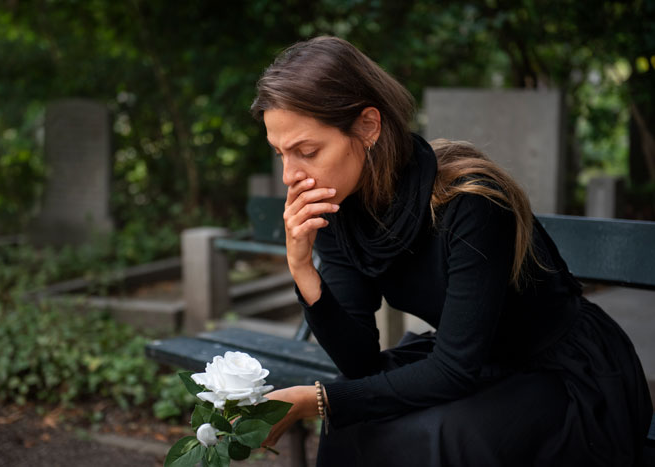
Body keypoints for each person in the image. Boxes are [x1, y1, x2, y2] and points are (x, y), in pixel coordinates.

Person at [249, 36, 653, 466]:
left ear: (368, 126)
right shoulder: (337, 208)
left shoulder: (470, 201)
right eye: (280, 154)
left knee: (430, 436)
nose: (291, 175)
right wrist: (302, 269)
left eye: (306, 151)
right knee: (354, 421)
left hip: (561, 373)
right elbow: (360, 362)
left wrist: (317, 399)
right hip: (473, 363)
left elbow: (455, 370)